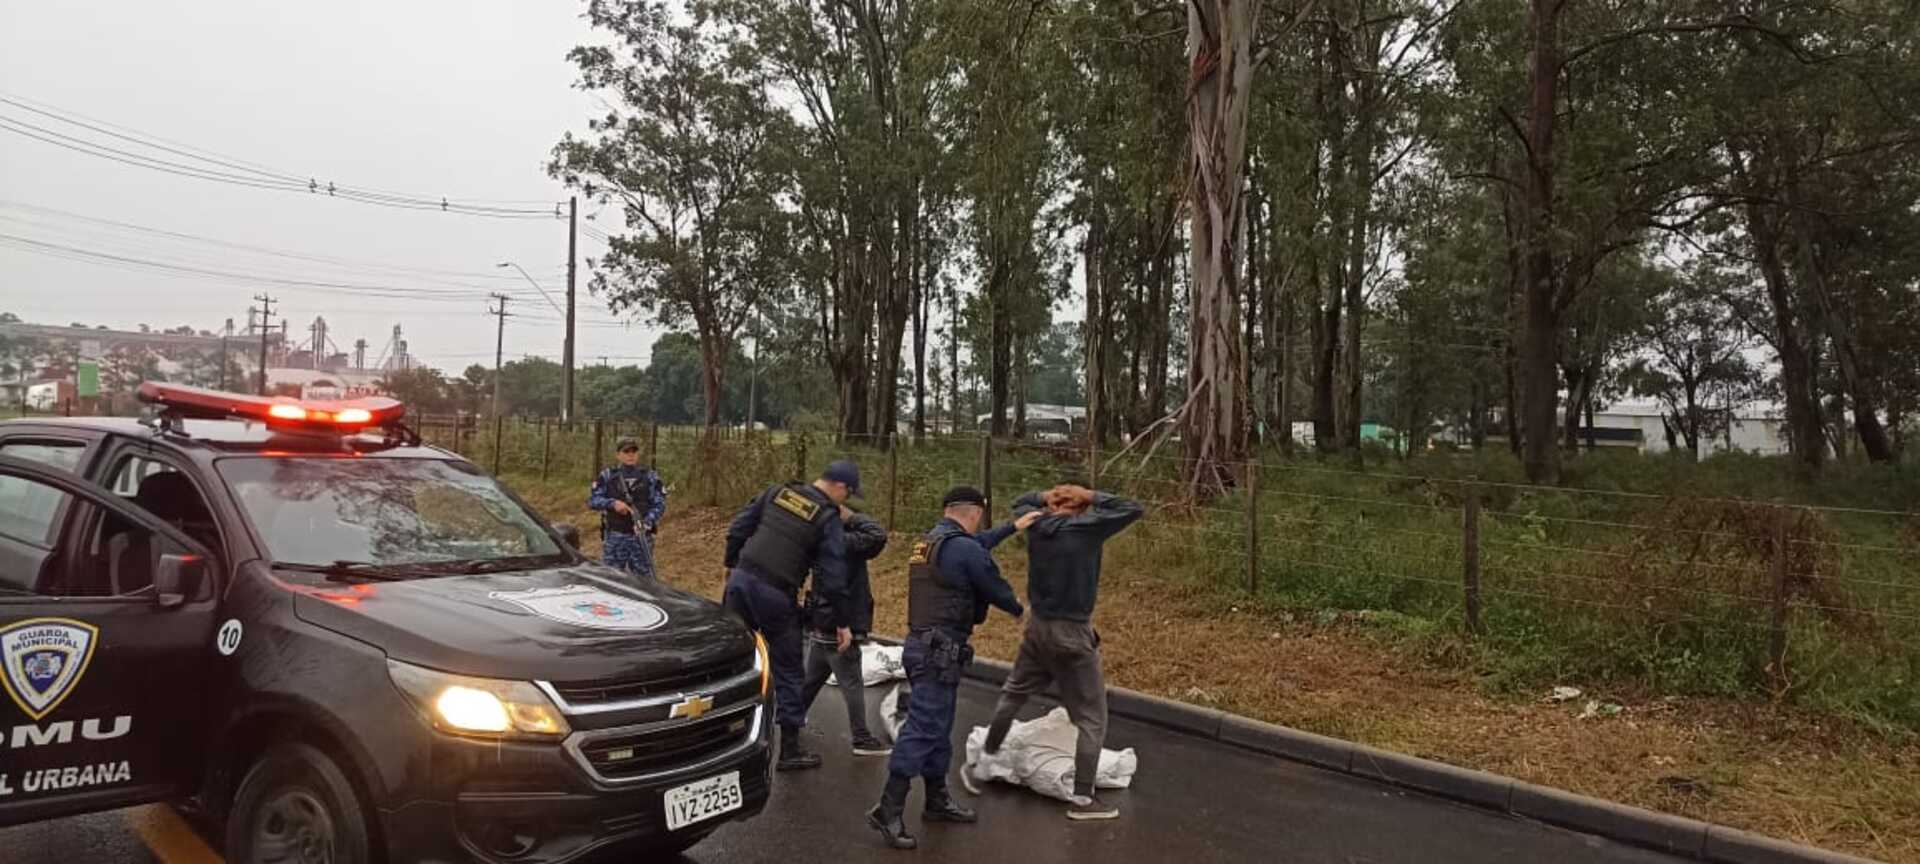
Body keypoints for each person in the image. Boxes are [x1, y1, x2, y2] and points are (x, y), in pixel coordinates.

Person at [868, 486, 1038, 851]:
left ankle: (936, 799)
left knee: (938, 728)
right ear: (976, 512)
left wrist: (1014, 527)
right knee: (922, 729)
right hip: (938, 651)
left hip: (923, 647)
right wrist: (1020, 610)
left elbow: (977, 547)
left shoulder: (931, 542)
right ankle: (888, 808)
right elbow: (991, 581)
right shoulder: (964, 549)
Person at [975, 481, 1143, 820]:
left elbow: (1019, 500)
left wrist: (1044, 495)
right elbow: (1132, 508)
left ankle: (988, 757)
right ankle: (1083, 800)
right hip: (1073, 631)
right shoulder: (1087, 529)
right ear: (1082, 507)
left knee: (1014, 691)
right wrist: (1093, 494)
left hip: (1037, 625)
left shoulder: (1036, 524)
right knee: (1093, 718)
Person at [724, 460, 858, 772]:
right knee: (788, 669)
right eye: (848, 495)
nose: (845, 501)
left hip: (741, 583)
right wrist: (841, 621)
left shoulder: (778, 492)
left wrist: (732, 565)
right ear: (839, 487)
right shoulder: (827, 517)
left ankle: (722, 736)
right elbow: (835, 576)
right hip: (776, 594)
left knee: (732, 660)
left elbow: (738, 528)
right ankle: (790, 749)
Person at [799, 503, 892, 757]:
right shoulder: (844, 542)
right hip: (840, 627)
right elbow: (877, 535)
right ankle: (861, 737)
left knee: (811, 680)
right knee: (852, 683)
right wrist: (851, 515)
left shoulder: (819, 540)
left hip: (821, 622)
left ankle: (790, 720)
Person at [586, 436, 667, 577]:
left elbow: (659, 504)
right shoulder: (608, 476)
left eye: (634, 451)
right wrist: (612, 504)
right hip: (616, 537)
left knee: (645, 582)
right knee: (612, 579)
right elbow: (593, 501)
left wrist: (647, 522)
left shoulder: (650, 477)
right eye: (626, 451)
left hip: (641, 538)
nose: (631, 455)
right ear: (618, 455)